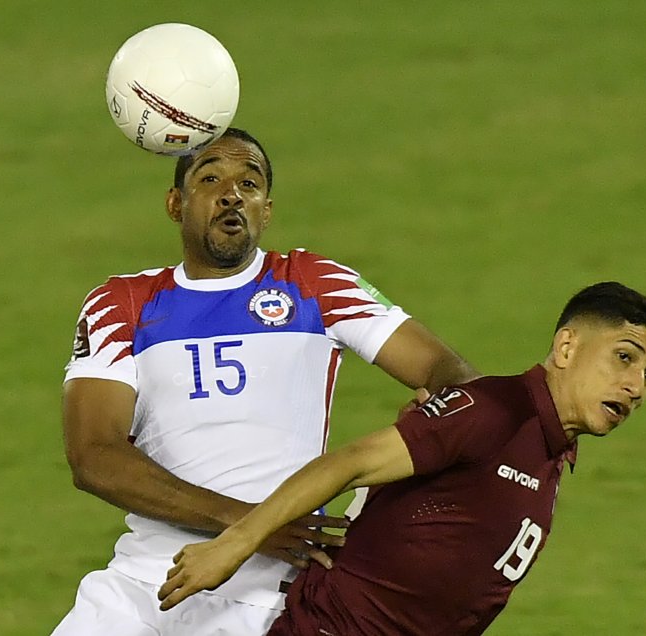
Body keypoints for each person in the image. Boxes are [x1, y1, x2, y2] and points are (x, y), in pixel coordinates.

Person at [52, 127, 478, 635]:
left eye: (249, 183)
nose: (232, 194)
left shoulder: (314, 283)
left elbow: (450, 373)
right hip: (136, 590)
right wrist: (251, 525)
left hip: (262, 603)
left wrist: (436, 408)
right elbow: (93, 456)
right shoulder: (122, 302)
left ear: (267, 210)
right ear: (174, 203)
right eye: (210, 178)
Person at [157, 281, 646, 635]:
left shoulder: (549, 448)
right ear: (566, 348)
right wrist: (236, 543)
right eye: (624, 356)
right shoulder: (496, 410)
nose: (635, 387)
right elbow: (350, 463)